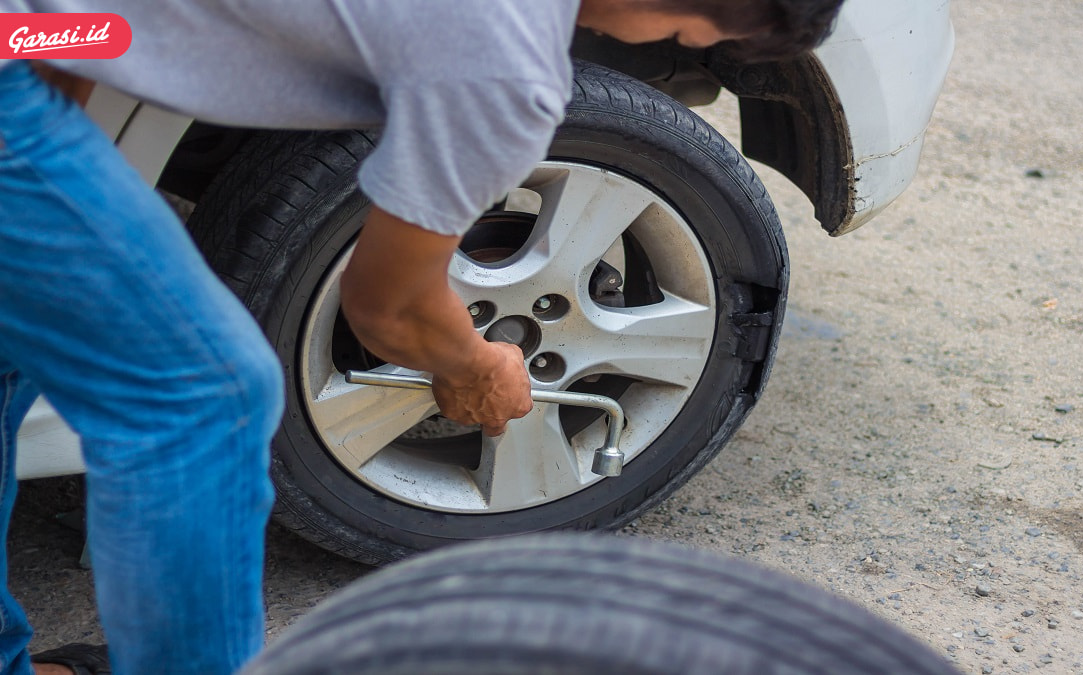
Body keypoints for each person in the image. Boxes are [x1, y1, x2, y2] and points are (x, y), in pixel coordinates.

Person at [0, 0, 843, 673]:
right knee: (206, 397)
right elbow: (390, 308)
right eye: (690, 31)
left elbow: (76, 28)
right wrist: (476, 362)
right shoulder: (507, 63)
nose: (675, 41)